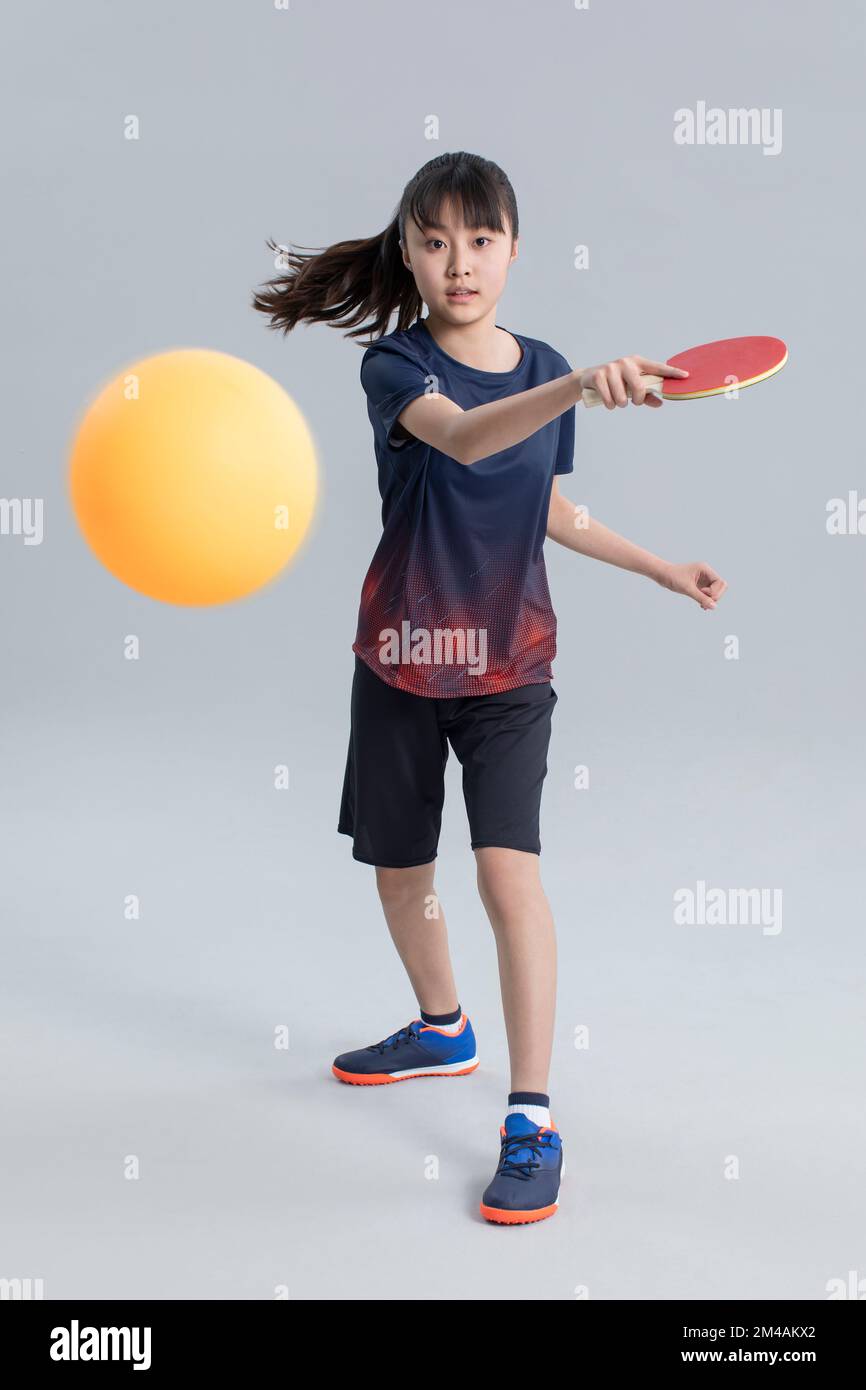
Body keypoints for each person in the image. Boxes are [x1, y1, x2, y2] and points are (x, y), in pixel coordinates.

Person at [252, 151, 726, 1225]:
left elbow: (546, 508)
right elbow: (467, 443)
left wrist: (659, 565)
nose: (457, 262)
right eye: (434, 240)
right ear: (410, 252)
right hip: (402, 664)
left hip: (511, 668)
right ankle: (440, 1026)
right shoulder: (394, 367)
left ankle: (529, 1114)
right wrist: (572, 385)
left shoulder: (546, 363)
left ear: (512, 247)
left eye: (479, 239)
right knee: (398, 873)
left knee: (507, 879)